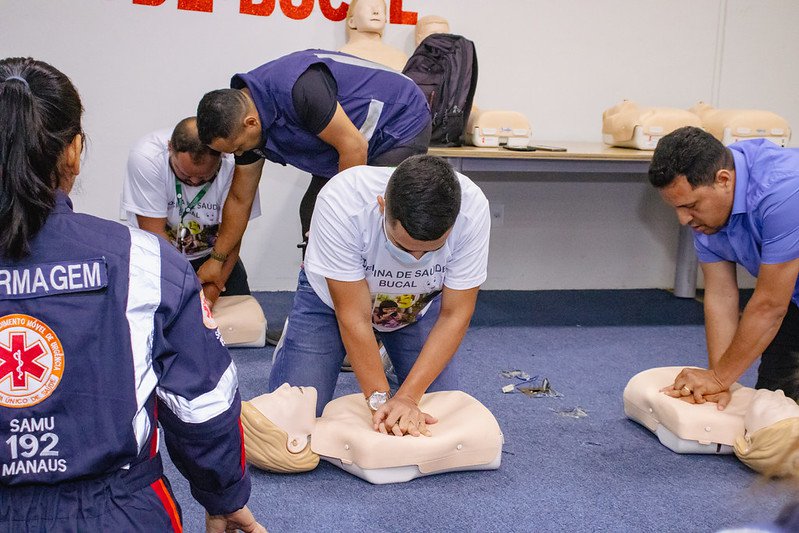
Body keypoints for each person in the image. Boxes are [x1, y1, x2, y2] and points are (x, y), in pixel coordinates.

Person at [0, 58, 265, 532]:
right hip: (115, 510)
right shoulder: (143, 261)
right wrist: (222, 494)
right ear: (74, 152)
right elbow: (201, 402)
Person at [266, 155, 491, 436]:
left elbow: (454, 314)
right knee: (293, 424)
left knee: (443, 413)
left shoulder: (472, 210)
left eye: (431, 249)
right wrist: (380, 400)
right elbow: (353, 317)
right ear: (382, 207)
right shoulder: (343, 201)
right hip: (333, 305)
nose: (415, 259)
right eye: (402, 246)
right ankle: (299, 340)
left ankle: (384, 353)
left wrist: (408, 397)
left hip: (414, 306)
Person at [195, 48, 432, 290]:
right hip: (347, 141)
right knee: (312, 211)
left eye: (238, 147)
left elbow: (353, 147)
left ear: (251, 123)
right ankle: (319, 295)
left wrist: (341, 229)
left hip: (400, 121)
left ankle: (379, 303)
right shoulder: (244, 125)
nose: (239, 154)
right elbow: (239, 199)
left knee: (371, 221)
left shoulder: (299, 87)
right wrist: (217, 259)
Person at [648, 126, 799, 407]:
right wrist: (720, 381)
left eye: (690, 206)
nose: (683, 220)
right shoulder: (707, 211)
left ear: (724, 180)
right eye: (677, 208)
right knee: (773, 417)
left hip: (781, 298)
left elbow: (770, 305)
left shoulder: (785, 189)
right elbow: (720, 295)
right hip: (793, 295)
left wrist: (718, 378)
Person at [122, 117, 261, 306]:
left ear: (221, 157)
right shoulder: (147, 158)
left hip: (215, 256)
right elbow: (154, 236)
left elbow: (234, 232)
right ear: (170, 148)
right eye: (185, 175)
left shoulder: (234, 162)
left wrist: (210, 296)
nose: (194, 182)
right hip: (158, 255)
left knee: (238, 318)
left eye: (205, 176)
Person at [339, 0, 408, 72]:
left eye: (380, 9)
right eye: (368, 8)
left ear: (385, 20)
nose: (376, 12)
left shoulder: (400, 57)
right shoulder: (341, 56)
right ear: (352, 22)